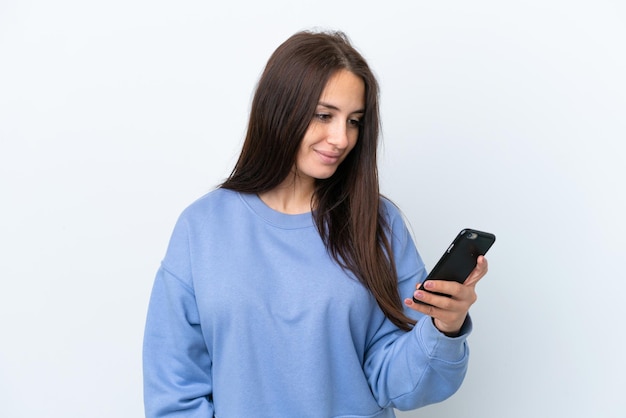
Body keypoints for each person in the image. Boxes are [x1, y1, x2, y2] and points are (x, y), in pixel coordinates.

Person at [142, 30, 488, 418]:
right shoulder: (201, 227)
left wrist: (444, 328)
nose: (341, 138)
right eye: (324, 115)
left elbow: (399, 384)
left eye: (354, 121)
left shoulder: (377, 223)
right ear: (279, 108)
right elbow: (174, 390)